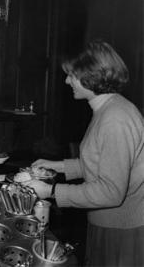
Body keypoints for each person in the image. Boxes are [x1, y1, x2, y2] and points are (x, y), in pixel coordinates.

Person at [26, 40, 144, 266]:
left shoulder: (115, 118)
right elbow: (99, 163)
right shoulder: (107, 109)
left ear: (91, 75)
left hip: (123, 232)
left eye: (71, 74)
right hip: (109, 223)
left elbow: (111, 192)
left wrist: (50, 190)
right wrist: (56, 165)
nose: (66, 80)